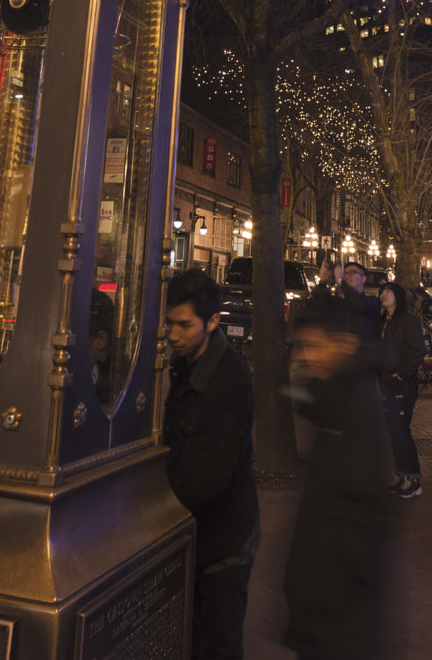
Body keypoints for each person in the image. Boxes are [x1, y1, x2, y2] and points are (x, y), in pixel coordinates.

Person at [284, 293, 393, 660]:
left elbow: (364, 517)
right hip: (321, 604)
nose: (305, 356)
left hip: (338, 615)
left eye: (314, 346)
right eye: (301, 346)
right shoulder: (332, 400)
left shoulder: (356, 410)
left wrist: (322, 596)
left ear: (345, 344)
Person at [162, 270, 259, 660]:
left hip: (223, 541)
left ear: (213, 322)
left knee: (218, 642)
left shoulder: (230, 380)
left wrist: (159, 503)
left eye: (185, 325)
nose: (173, 334)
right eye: (169, 322)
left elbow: (211, 474)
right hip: (196, 535)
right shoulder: (182, 361)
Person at [377, 282, 426, 498]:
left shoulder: (408, 321)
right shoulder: (382, 322)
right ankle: (401, 473)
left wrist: (403, 373)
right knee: (394, 430)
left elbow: (418, 349)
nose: (383, 294)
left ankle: (412, 478)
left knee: (401, 430)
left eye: (388, 291)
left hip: (402, 383)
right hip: (386, 382)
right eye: (382, 292)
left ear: (398, 296)